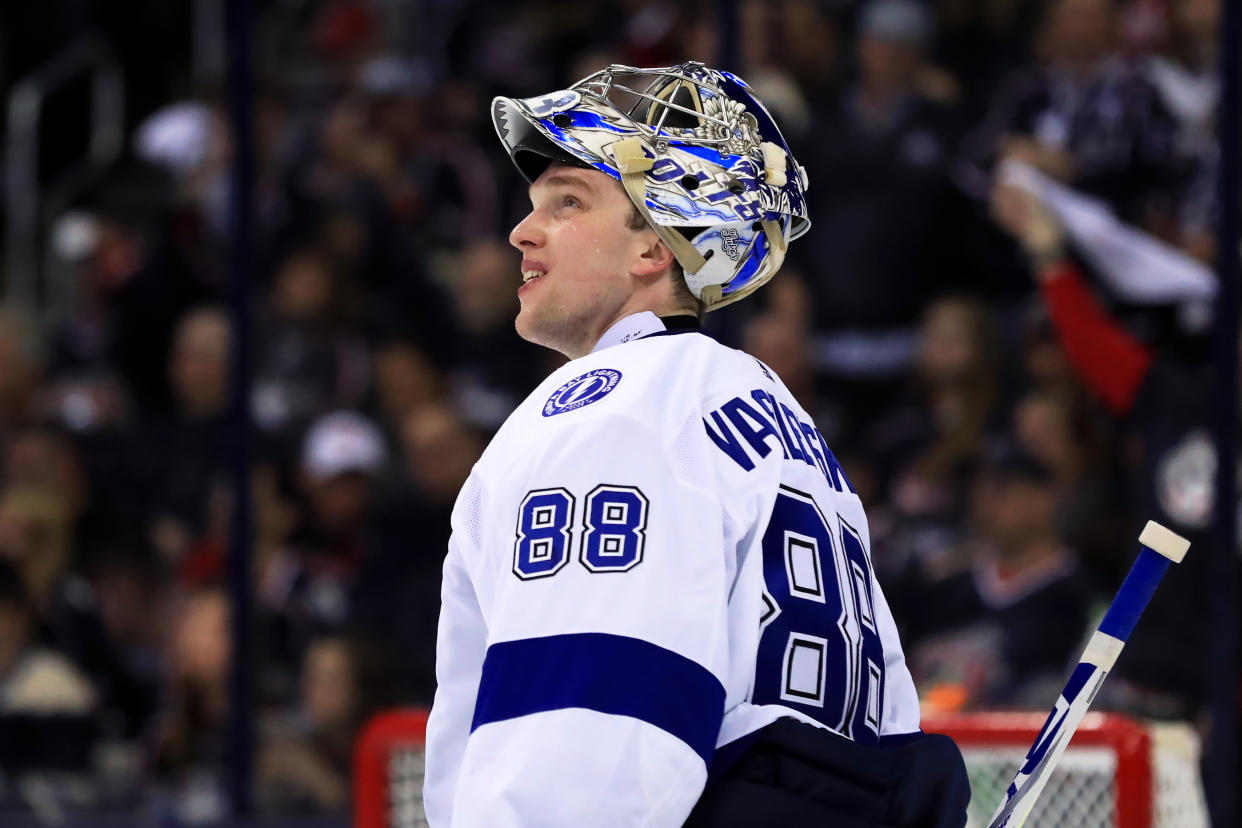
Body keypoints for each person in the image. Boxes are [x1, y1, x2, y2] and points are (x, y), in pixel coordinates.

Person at [424, 61, 968, 827]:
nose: (522, 230)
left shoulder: (609, 414)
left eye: (568, 202)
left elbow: (586, 751)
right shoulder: (777, 415)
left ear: (653, 248)